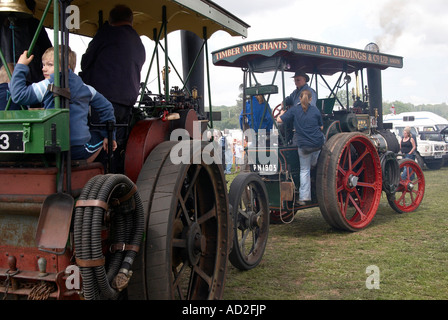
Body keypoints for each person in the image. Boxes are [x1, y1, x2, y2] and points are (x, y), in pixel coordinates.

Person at [9, 47, 117, 163]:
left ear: (66, 68)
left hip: (50, 147)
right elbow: (106, 107)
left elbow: (18, 95)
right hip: (77, 149)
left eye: (50, 65)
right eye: (43, 64)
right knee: (104, 138)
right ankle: (82, 167)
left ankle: (77, 167)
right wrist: (109, 136)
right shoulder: (86, 88)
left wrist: (21, 66)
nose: (44, 69)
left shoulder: (46, 85)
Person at [81, 4, 146, 172]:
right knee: (116, 147)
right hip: (126, 103)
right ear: (131, 21)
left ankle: (97, 186)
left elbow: (86, 62)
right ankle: (115, 186)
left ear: (110, 20)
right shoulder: (138, 42)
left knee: (99, 146)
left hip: (102, 101)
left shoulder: (106, 34)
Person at [277, 89, 324, 205]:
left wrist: (282, 112)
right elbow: (321, 127)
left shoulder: (294, 110)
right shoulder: (316, 110)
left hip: (303, 146)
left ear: (299, 98)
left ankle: (304, 197)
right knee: (314, 160)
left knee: (304, 170)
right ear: (311, 99)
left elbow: (279, 120)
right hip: (317, 145)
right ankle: (315, 164)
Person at [0, 0, 52, 84]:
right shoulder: (34, 24)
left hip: (4, 78)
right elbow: (48, 52)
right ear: (32, 10)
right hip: (29, 79)